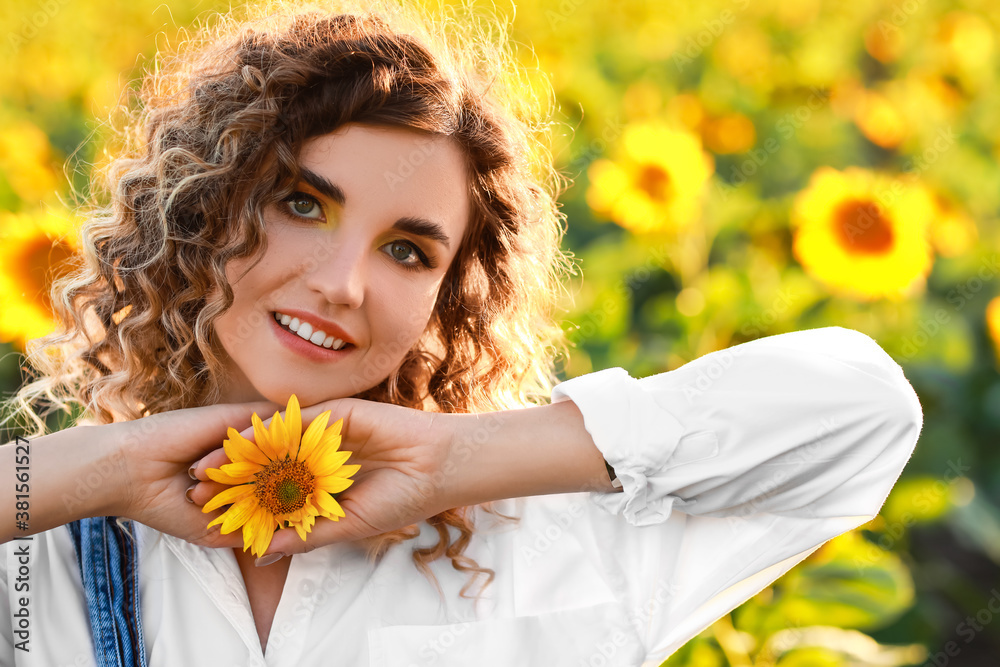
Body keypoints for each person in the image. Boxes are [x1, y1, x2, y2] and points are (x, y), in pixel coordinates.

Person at [0, 1, 923, 665]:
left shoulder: (538, 542)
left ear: (449, 296)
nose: (342, 283)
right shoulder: (41, 558)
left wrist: (462, 459)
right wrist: (104, 470)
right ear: (201, 209)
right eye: (300, 202)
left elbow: (864, 412)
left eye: (408, 252)